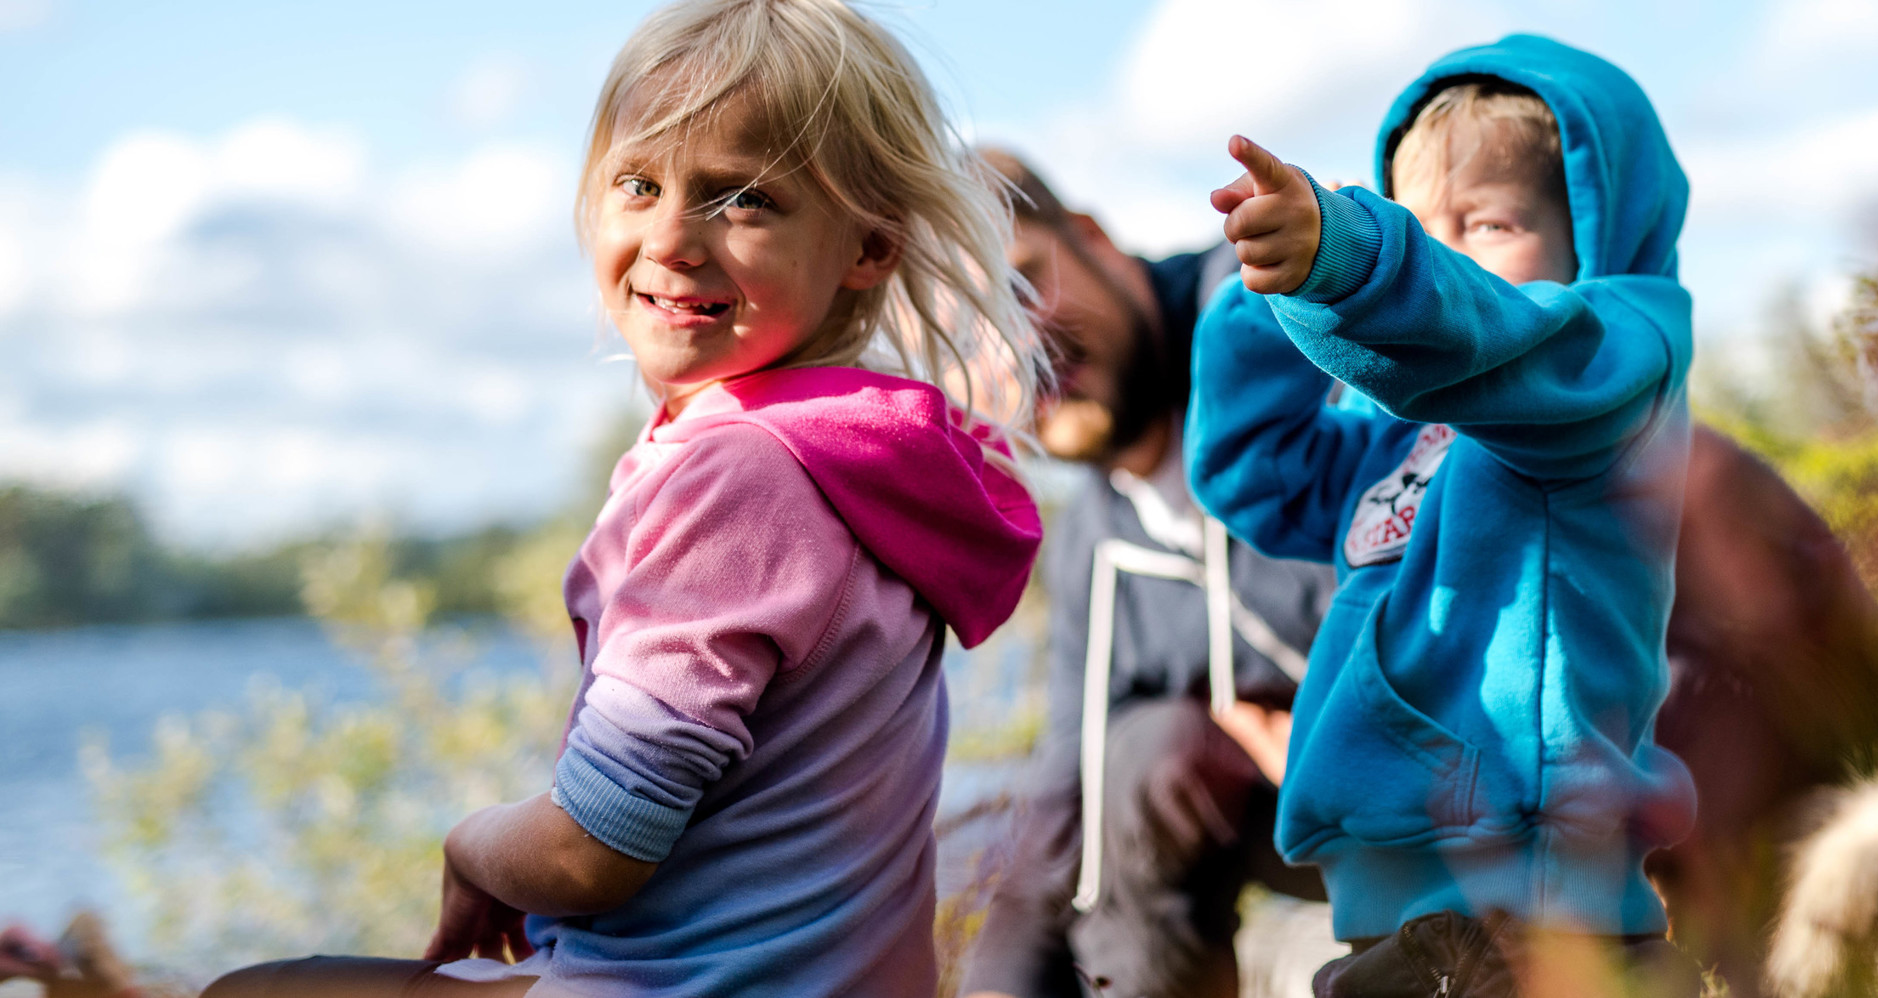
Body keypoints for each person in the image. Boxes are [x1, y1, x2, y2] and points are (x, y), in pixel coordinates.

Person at [202, 1, 1046, 995]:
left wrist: (474, 840)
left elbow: (598, 849)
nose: (672, 237)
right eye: (639, 183)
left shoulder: (738, 471)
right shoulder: (857, 462)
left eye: (743, 199)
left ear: (867, 247)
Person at [1190, 35, 1704, 995]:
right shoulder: (1398, 440)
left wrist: (1363, 268)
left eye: (1488, 224)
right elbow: (1254, 470)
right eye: (1420, 227)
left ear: (1596, 234)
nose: (1442, 252)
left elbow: (1512, 337)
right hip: (1392, 914)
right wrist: (1276, 289)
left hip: (1534, 922)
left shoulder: (1612, 372)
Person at [955, 151, 1333, 998]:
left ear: (1092, 240)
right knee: (1140, 764)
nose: (1018, 349)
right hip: (1314, 829)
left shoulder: (1279, 321)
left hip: (1497, 773)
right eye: (966, 339)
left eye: (1018, 286)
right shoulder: (1090, 548)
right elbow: (1056, 843)